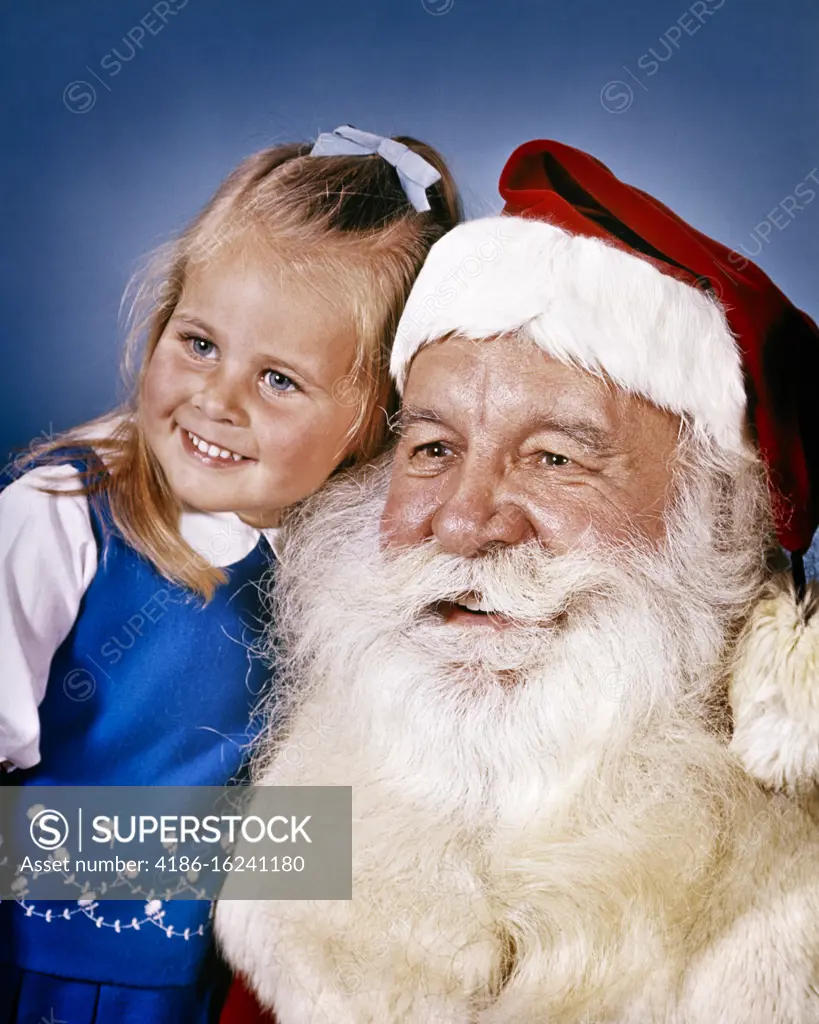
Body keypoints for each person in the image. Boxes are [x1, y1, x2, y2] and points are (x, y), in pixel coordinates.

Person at [215, 139, 819, 1023]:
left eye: (554, 458)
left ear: (717, 520)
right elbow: (67, 854)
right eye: (430, 449)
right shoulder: (298, 777)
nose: (461, 523)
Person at [0, 125, 460, 1024]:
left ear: (371, 419)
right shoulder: (62, 518)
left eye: (280, 380)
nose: (217, 399)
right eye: (200, 343)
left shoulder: (354, 569)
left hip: (247, 990)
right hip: (65, 976)